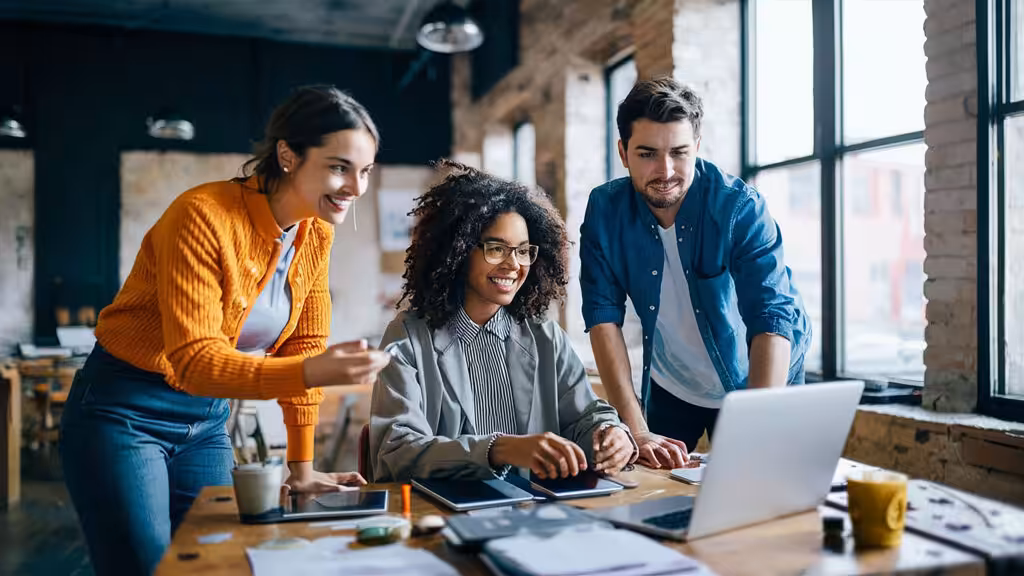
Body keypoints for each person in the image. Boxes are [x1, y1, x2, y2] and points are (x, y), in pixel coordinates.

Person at [60, 85, 392, 576]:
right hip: (122, 412)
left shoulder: (316, 233)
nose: (356, 187)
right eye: (339, 167)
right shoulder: (202, 216)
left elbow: (305, 343)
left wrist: (301, 469)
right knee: (145, 567)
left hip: (206, 420)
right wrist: (308, 371)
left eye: (364, 171)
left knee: (217, 559)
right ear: (287, 155)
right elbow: (194, 361)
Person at [580, 78, 811, 469]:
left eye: (680, 153)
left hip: (755, 380)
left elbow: (771, 318)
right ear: (623, 152)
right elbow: (603, 320)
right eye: (648, 153)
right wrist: (637, 431)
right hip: (672, 384)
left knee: (756, 489)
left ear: (697, 148)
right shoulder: (605, 211)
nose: (665, 170)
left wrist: (756, 429)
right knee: (653, 492)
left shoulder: (740, 208)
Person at [369, 161, 637, 482]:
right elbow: (397, 452)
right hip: (448, 516)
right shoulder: (408, 337)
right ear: (458, 250)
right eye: (497, 248)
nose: (514, 264)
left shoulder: (545, 335)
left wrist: (611, 434)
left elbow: (585, 415)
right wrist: (498, 449)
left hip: (538, 514)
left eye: (523, 251)